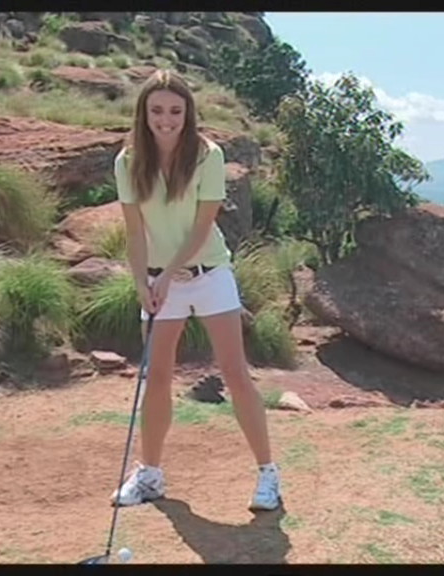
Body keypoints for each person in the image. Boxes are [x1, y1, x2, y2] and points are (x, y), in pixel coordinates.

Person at [110, 69, 281, 512]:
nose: (166, 120)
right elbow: (134, 231)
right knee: (157, 378)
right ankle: (150, 474)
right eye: (157, 111)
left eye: (175, 111)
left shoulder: (208, 155)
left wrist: (168, 273)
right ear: (144, 113)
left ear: (188, 114)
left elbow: (203, 226)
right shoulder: (128, 161)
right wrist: (141, 282)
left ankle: (268, 474)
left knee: (235, 373)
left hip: (209, 275)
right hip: (157, 280)